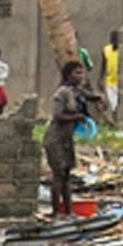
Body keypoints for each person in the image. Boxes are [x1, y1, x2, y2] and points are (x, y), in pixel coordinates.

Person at [45, 60, 102, 219]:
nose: (81, 76)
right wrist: (77, 116)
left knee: (67, 176)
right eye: (77, 73)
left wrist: (100, 99)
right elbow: (58, 115)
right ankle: (56, 212)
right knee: (58, 176)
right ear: (68, 75)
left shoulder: (76, 91)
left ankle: (69, 212)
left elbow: (90, 96)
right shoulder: (62, 93)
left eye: (82, 72)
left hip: (66, 138)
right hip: (55, 138)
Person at [100, 31, 120, 119]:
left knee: (116, 104)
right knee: (113, 105)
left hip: (119, 82)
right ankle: (114, 120)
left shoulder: (122, 50)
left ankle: (115, 120)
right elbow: (103, 65)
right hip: (110, 81)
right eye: (113, 39)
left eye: (116, 39)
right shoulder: (106, 50)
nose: (115, 41)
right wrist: (100, 79)